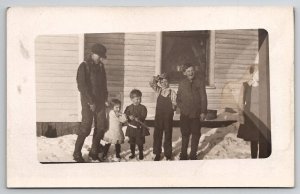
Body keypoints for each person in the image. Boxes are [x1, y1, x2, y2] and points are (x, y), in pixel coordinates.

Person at [73, 43, 109, 162]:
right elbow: (82, 86)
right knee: (86, 128)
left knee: (100, 127)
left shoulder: (100, 67)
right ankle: (77, 153)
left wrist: (105, 98)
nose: (101, 58)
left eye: (102, 56)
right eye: (99, 56)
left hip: (100, 102)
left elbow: (104, 85)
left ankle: (94, 152)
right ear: (93, 54)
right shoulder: (84, 66)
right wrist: (90, 102)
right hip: (88, 102)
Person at [177, 63, 207, 160]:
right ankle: (183, 154)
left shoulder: (199, 82)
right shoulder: (182, 83)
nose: (191, 72)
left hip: (196, 114)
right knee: (185, 134)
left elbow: (203, 98)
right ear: (184, 73)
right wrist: (181, 107)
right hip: (185, 114)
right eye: (188, 71)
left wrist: (203, 111)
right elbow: (178, 98)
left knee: (195, 134)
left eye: (192, 70)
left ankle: (193, 154)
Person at [149, 73, 177, 161]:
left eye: (166, 81)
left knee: (168, 134)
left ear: (168, 82)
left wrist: (173, 107)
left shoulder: (172, 92)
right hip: (159, 116)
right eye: (162, 82)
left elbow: (175, 104)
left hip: (168, 116)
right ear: (160, 83)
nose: (164, 83)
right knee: (157, 135)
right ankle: (157, 153)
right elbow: (151, 83)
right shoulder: (158, 90)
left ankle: (168, 154)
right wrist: (156, 78)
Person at [237, 65, 262, 158]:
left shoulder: (264, 85)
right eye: (257, 72)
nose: (259, 74)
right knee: (254, 139)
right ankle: (254, 157)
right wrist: (241, 114)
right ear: (252, 74)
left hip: (262, 116)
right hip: (251, 116)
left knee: (263, 138)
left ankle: (263, 157)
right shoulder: (246, 85)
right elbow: (240, 101)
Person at [124, 89, 148, 160]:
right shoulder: (129, 108)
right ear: (132, 99)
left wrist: (139, 118)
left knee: (140, 142)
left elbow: (144, 115)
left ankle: (141, 153)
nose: (139, 100)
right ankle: (133, 153)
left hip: (139, 128)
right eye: (137, 99)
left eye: (140, 98)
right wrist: (128, 117)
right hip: (131, 128)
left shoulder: (143, 107)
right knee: (132, 142)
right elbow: (125, 115)